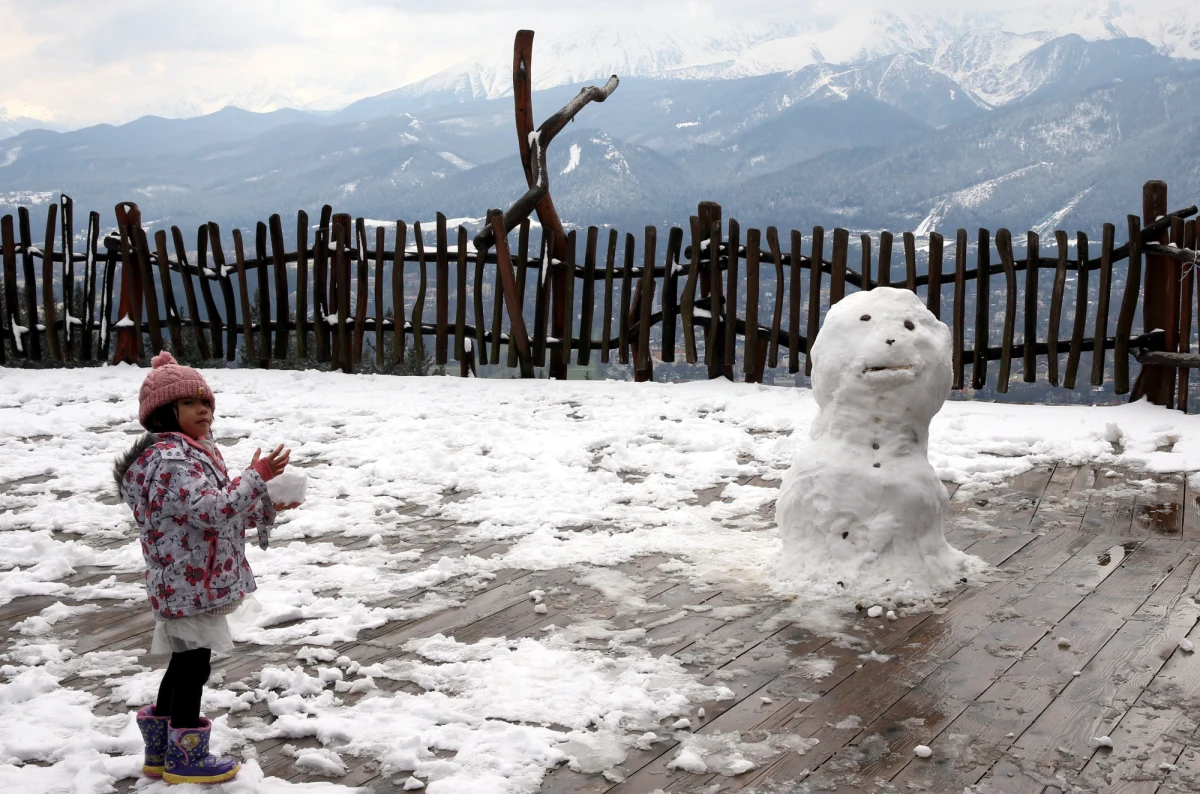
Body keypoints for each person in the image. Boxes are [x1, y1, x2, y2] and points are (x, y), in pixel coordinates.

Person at [113, 352, 297, 784]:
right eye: (192, 404)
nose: (205, 411)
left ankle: (160, 754)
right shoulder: (174, 461)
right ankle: (185, 758)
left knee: (183, 664)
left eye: (207, 403)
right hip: (188, 582)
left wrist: (265, 503)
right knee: (193, 666)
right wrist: (257, 477)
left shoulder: (192, 453)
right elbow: (210, 511)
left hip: (190, 578)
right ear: (165, 413)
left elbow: (212, 516)